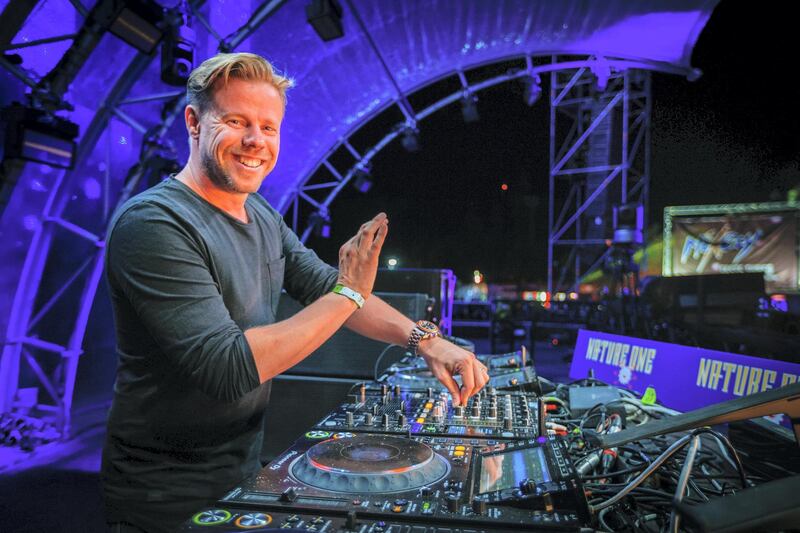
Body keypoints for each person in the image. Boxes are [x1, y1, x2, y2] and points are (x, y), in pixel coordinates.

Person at [101, 52, 489, 532]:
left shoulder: (261, 215)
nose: (255, 141)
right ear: (194, 122)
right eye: (236, 121)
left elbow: (329, 290)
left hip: (242, 469)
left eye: (269, 127)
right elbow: (227, 367)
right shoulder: (155, 224)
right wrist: (348, 293)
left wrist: (426, 340)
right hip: (162, 495)